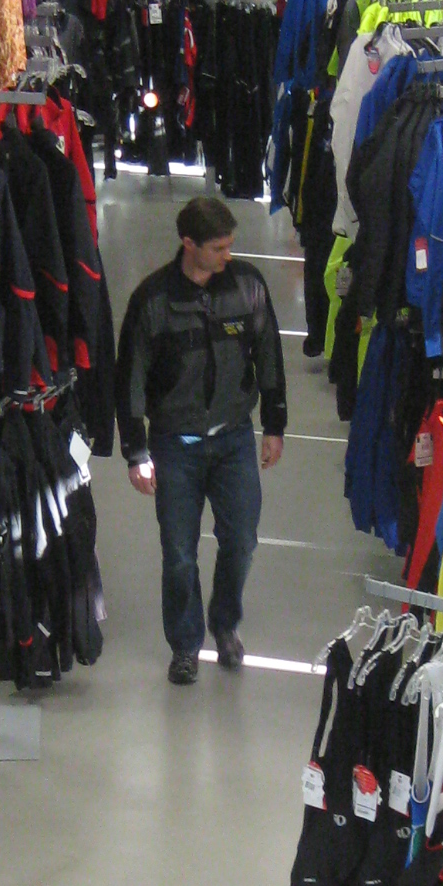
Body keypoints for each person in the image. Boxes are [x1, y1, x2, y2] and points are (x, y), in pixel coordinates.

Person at [117, 196, 287, 684]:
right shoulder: (152, 302)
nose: (227, 257)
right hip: (175, 445)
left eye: (230, 246)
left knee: (242, 540)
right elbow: (129, 379)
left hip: (234, 439)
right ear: (188, 244)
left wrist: (274, 424)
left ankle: (225, 625)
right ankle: (186, 645)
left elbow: (270, 354)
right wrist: (136, 451)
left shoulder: (247, 288)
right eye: (217, 248)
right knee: (179, 554)